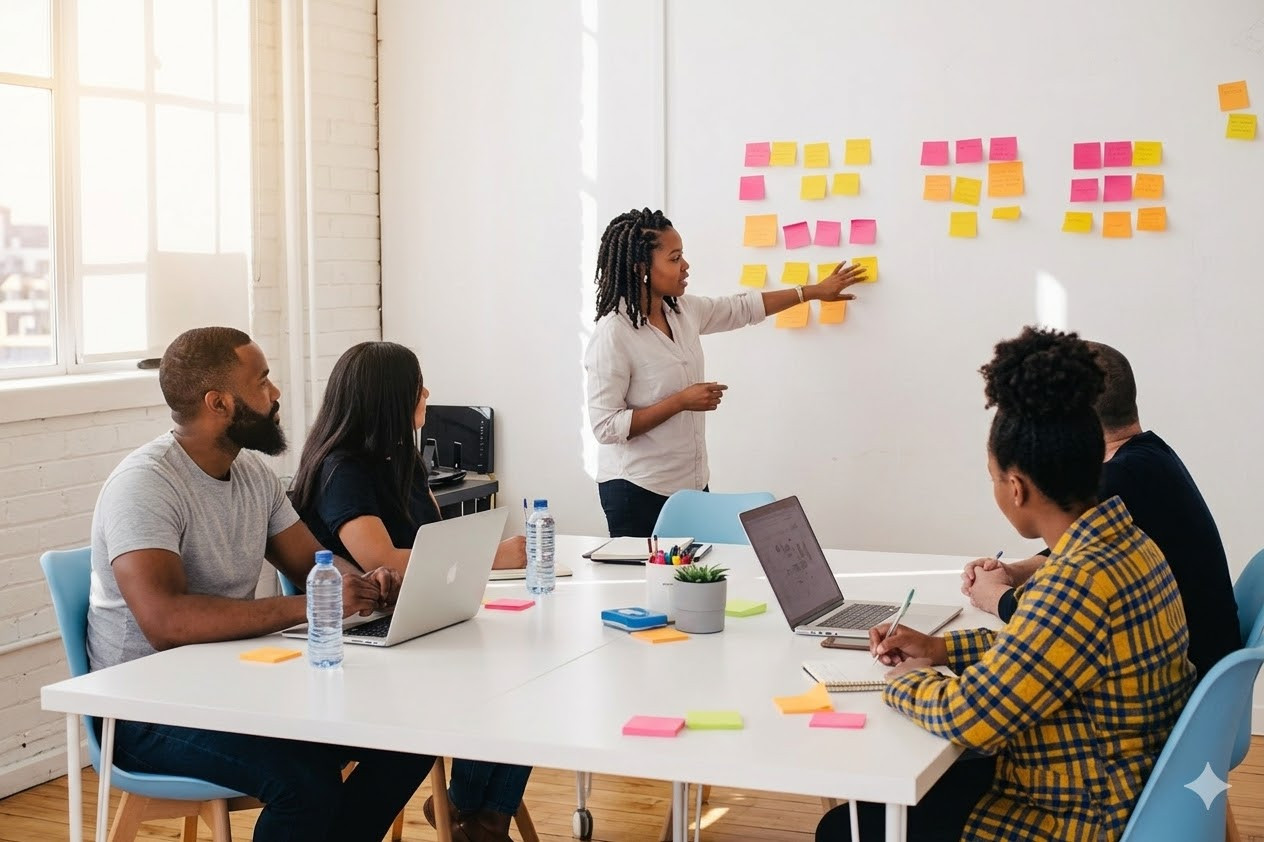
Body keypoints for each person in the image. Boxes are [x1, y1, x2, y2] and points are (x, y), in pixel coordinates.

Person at [818, 327, 1196, 842]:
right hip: (1123, 782)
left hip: (1078, 813)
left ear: (1016, 488)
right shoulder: (1127, 543)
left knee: (847, 829)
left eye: (994, 477)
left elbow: (972, 717)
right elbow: (1035, 649)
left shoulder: (1075, 582)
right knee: (880, 805)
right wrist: (940, 648)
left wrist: (902, 681)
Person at [87, 327, 434, 842]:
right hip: (146, 711)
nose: (276, 394)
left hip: (233, 685)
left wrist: (361, 583)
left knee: (410, 737)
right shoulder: (145, 485)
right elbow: (167, 622)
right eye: (264, 380)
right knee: (304, 784)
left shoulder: (250, 473)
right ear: (220, 402)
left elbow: (310, 563)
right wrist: (311, 608)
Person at [291, 341, 530, 842]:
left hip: (414, 620)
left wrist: (474, 552)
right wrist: (495, 554)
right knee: (499, 676)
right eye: (415, 386)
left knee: (530, 669)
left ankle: (481, 817)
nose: (426, 394)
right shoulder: (342, 470)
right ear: (388, 399)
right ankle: (476, 815)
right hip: (361, 639)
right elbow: (384, 561)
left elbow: (435, 545)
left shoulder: (399, 457)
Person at [961, 340, 1239, 679]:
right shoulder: (1148, 456)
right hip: (1199, 672)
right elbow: (1073, 554)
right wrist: (1014, 572)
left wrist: (996, 596)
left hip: (1184, 675)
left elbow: (1057, 617)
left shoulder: (1117, 478)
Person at [584, 207, 866, 537]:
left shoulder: (682, 311)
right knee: (646, 586)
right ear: (641, 268)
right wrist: (680, 401)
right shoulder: (614, 334)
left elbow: (741, 307)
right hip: (637, 488)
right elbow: (605, 426)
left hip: (688, 485)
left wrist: (812, 292)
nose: (685, 266)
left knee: (694, 581)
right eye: (675, 259)